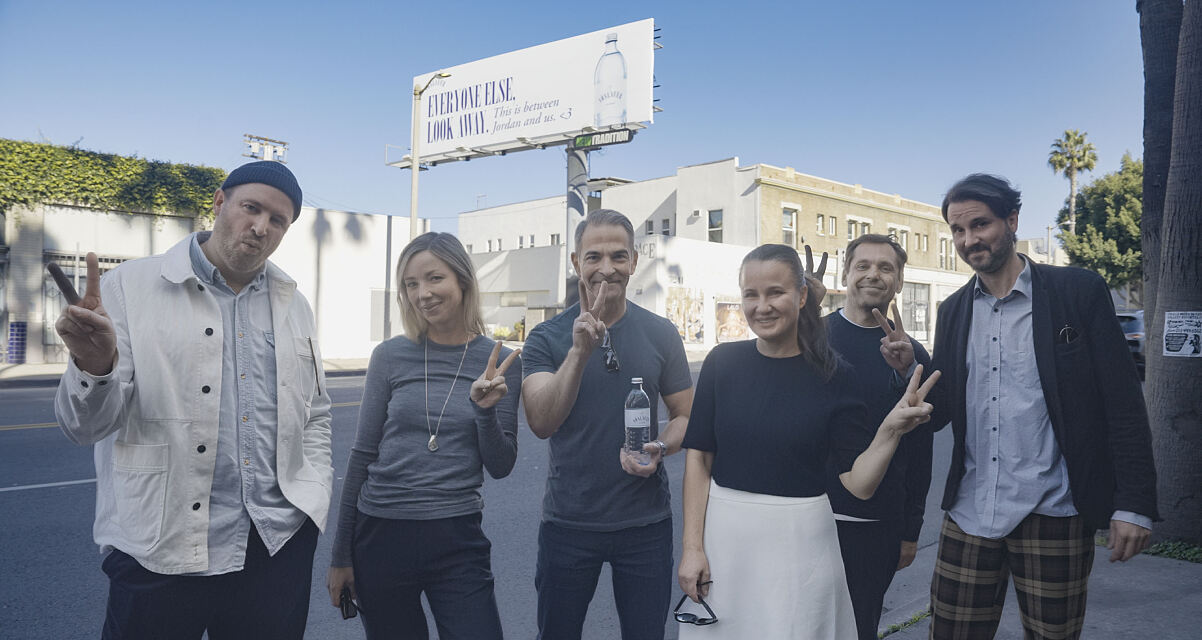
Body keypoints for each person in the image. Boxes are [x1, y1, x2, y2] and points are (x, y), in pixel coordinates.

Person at [53, 161, 332, 639]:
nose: (260, 227)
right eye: (251, 208)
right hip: (159, 545)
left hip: (275, 542)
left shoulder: (293, 304)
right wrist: (95, 366)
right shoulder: (131, 287)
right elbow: (85, 427)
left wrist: (314, 494)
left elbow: (317, 413)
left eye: (278, 220)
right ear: (220, 202)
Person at [925, 174, 1158, 639]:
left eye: (980, 224)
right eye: (957, 230)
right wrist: (905, 368)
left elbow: (1123, 403)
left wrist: (1133, 504)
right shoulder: (952, 311)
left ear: (1012, 221)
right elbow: (943, 408)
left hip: (1054, 511)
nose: (969, 240)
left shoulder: (1077, 292)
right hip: (970, 513)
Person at [676, 244, 939, 639]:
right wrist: (692, 547)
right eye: (751, 294)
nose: (762, 306)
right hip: (726, 540)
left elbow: (858, 484)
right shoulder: (721, 363)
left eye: (775, 293)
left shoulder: (835, 375)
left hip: (803, 544)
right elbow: (699, 458)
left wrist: (891, 429)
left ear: (801, 296)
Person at [326, 232, 520, 639]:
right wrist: (341, 556)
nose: (422, 294)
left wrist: (483, 413)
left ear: (462, 280)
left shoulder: (499, 361)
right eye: (411, 284)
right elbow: (362, 455)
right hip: (380, 533)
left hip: (457, 537)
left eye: (434, 278)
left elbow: (501, 466)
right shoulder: (390, 356)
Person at [521, 209, 694, 640]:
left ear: (634, 261)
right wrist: (579, 352)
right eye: (593, 256)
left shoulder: (660, 333)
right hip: (568, 524)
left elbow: (687, 415)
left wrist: (662, 447)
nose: (606, 268)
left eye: (618, 256)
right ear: (576, 263)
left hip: (645, 526)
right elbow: (541, 422)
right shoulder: (546, 337)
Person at [821, 234, 934, 640]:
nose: (874, 274)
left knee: (859, 627)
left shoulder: (913, 354)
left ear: (900, 281)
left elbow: (922, 449)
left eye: (886, 268)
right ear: (846, 273)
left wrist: (910, 530)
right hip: (808, 516)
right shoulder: (808, 338)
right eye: (863, 265)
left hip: (877, 525)